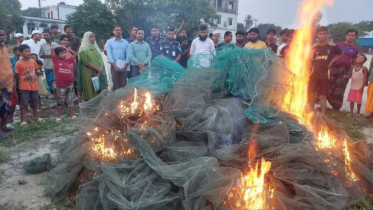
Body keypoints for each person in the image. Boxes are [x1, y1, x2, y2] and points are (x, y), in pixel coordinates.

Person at [308, 26, 342, 114]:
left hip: (325, 74)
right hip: (314, 73)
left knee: (323, 95)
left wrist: (332, 61)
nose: (322, 36)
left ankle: (323, 113)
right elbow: (308, 58)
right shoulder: (314, 46)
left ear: (327, 34)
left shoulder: (332, 46)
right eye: (320, 34)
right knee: (311, 92)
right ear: (317, 35)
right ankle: (311, 110)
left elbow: (341, 54)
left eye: (324, 34)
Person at [328, 29, 359, 111]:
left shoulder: (355, 49)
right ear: (346, 36)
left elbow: (354, 61)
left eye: (353, 36)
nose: (351, 37)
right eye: (349, 35)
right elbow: (331, 56)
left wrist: (350, 72)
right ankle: (329, 102)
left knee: (340, 89)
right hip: (334, 68)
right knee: (330, 87)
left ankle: (336, 107)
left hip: (345, 70)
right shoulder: (337, 45)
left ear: (355, 37)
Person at [15, 44, 43, 125]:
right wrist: (22, 80)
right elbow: (16, 75)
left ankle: (36, 117)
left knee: (34, 102)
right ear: (21, 53)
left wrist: (38, 72)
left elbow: (37, 70)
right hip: (24, 86)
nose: (29, 53)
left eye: (29, 51)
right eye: (26, 51)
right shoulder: (19, 63)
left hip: (34, 86)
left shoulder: (33, 61)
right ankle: (23, 120)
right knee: (24, 103)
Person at [78, 32, 108, 101]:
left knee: (99, 88)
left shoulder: (96, 48)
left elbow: (100, 61)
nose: (92, 38)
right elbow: (86, 62)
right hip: (88, 72)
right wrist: (98, 69)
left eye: (93, 37)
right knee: (91, 88)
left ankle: (99, 104)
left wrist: (99, 72)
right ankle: (91, 106)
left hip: (99, 72)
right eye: (90, 37)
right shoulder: (83, 50)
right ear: (86, 38)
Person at [52, 46, 78, 121]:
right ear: (57, 55)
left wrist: (68, 49)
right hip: (61, 86)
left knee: (70, 100)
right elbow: (52, 49)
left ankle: (72, 114)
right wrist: (61, 46)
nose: (64, 54)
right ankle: (59, 116)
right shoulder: (56, 60)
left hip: (69, 84)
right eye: (61, 53)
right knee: (60, 101)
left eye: (65, 53)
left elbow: (75, 54)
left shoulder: (68, 60)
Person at [0, 28, 14, 138]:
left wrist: (12, 80)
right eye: (0, 35)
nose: (3, 37)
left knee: (6, 108)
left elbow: (8, 65)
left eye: (4, 34)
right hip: (1, 85)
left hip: (8, 83)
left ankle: (4, 127)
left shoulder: (5, 49)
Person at [106, 26, 130, 91]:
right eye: (116, 30)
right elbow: (109, 54)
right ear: (113, 32)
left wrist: (125, 66)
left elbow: (128, 55)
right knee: (115, 83)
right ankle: (116, 100)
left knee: (123, 84)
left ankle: (124, 100)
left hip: (124, 66)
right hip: (114, 65)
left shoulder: (126, 42)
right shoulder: (109, 42)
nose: (118, 31)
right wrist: (114, 66)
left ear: (121, 32)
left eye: (119, 30)